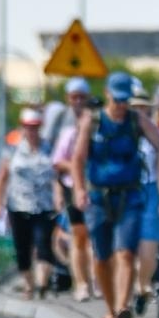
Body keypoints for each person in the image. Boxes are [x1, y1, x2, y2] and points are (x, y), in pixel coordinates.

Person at [70, 71, 159, 318]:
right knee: (101, 257)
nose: (122, 106)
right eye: (118, 100)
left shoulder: (137, 120)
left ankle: (123, 306)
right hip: (98, 197)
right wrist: (79, 189)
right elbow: (77, 160)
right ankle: (111, 308)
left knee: (125, 252)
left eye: (126, 101)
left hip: (129, 194)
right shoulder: (93, 121)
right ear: (107, 94)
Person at [0, 107, 59, 299]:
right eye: (28, 127)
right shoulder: (12, 149)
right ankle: (29, 284)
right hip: (18, 205)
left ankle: (42, 284)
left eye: (35, 127)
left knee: (43, 243)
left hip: (44, 204)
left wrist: (59, 195)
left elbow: (56, 174)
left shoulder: (49, 148)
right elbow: (2, 176)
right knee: (23, 247)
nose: (32, 131)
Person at [51, 79, 94, 301]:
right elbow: (57, 162)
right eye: (73, 97)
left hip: (97, 189)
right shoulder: (67, 131)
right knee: (79, 237)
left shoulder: (98, 130)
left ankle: (96, 280)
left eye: (82, 98)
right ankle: (82, 283)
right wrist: (76, 165)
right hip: (72, 188)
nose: (78, 102)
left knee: (96, 238)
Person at [128, 93, 159, 316]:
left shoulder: (155, 133)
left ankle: (143, 285)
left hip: (151, 188)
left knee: (149, 243)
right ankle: (134, 286)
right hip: (128, 190)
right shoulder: (121, 134)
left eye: (144, 108)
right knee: (128, 245)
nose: (140, 112)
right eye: (136, 108)